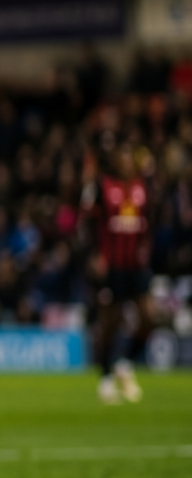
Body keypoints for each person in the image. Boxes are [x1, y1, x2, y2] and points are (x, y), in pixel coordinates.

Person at [83, 141, 150, 405]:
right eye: (121, 158)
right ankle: (106, 377)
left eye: (128, 157)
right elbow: (87, 222)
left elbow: (149, 221)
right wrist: (94, 254)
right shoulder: (102, 186)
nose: (125, 162)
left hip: (137, 264)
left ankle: (125, 363)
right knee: (110, 324)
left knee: (148, 318)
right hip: (112, 266)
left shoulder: (142, 187)